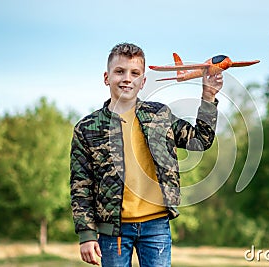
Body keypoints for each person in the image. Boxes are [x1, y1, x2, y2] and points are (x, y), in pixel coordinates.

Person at [70, 42, 223, 266]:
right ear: (106, 77)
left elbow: (200, 140)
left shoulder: (159, 115)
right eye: (119, 71)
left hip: (156, 225)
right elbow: (80, 185)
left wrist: (208, 95)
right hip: (113, 230)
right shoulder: (87, 128)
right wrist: (86, 234)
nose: (126, 78)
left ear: (142, 81)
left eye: (134, 73)